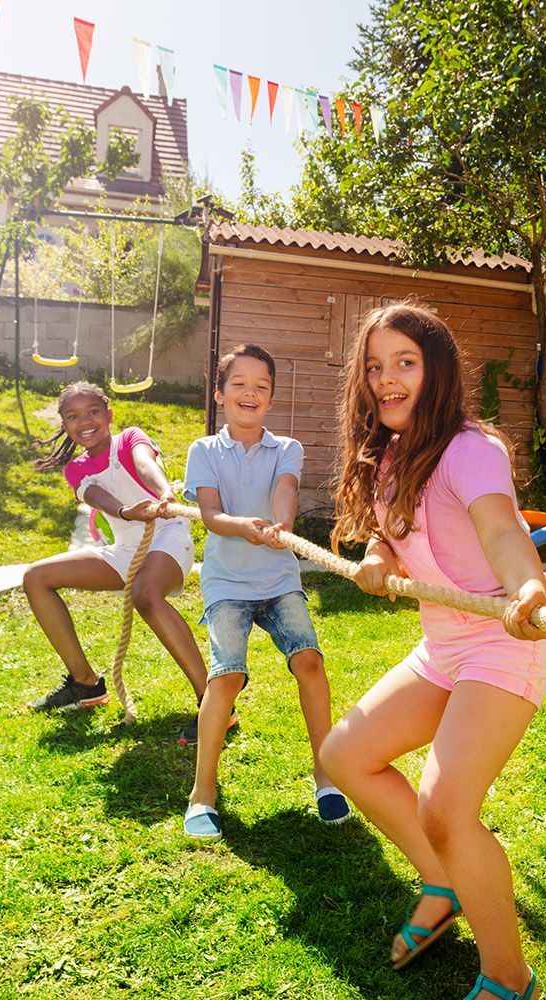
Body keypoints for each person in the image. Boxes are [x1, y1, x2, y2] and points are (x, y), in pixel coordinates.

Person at [319, 304, 546, 1000]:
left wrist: (529, 585)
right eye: (374, 367)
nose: (386, 379)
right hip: (443, 648)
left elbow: (502, 530)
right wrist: (374, 552)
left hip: (501, 646)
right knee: (344, 757)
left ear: (437, 369)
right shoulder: (392, 452)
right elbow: (393, 531)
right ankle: (442, 881)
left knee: (445, 805)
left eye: (405, 363)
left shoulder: (470, 448)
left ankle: (509, 979)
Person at [169, 344, 349, 839]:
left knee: (309, 660)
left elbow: (285, 490)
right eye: (240, 384)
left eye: (261, 386)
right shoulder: (204, 451)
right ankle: (202, 793)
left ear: (271, 397)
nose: (251, 393)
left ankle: (326, 776)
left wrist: (282, 523)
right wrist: (242, 526)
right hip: (227, 582)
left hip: (277, 578)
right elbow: (209, 514)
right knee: (225, 678)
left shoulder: (286, 447)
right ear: (220, 393)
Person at [22, 381, 207, 723]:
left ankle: (210, 701)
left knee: (146, 595)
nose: (85, 421)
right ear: (64, 425)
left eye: (93, 412)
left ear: (108, 415)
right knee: (36, 577)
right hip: (126, 547)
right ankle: (85, 683)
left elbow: (145, 465)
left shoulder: (129, 439)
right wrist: (125, 511)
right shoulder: (75, 468)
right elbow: (95, 496)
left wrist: (164, 492)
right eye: (73, 416)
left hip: (167, 536)